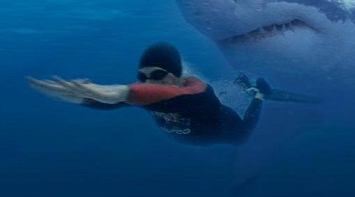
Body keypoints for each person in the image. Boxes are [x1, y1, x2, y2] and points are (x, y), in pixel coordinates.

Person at [27, 42, 272, 146]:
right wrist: (76, 97)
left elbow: (129, 95)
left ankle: (258, 94)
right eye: (142, 76)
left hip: (225, 133)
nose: (147, 81)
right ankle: (241, 85)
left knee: (244, 135)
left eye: (156, 75)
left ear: (177, 76)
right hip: (188, 138)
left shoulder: (198, 92)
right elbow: (111, 101)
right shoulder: (147, 94)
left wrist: (122, 91)